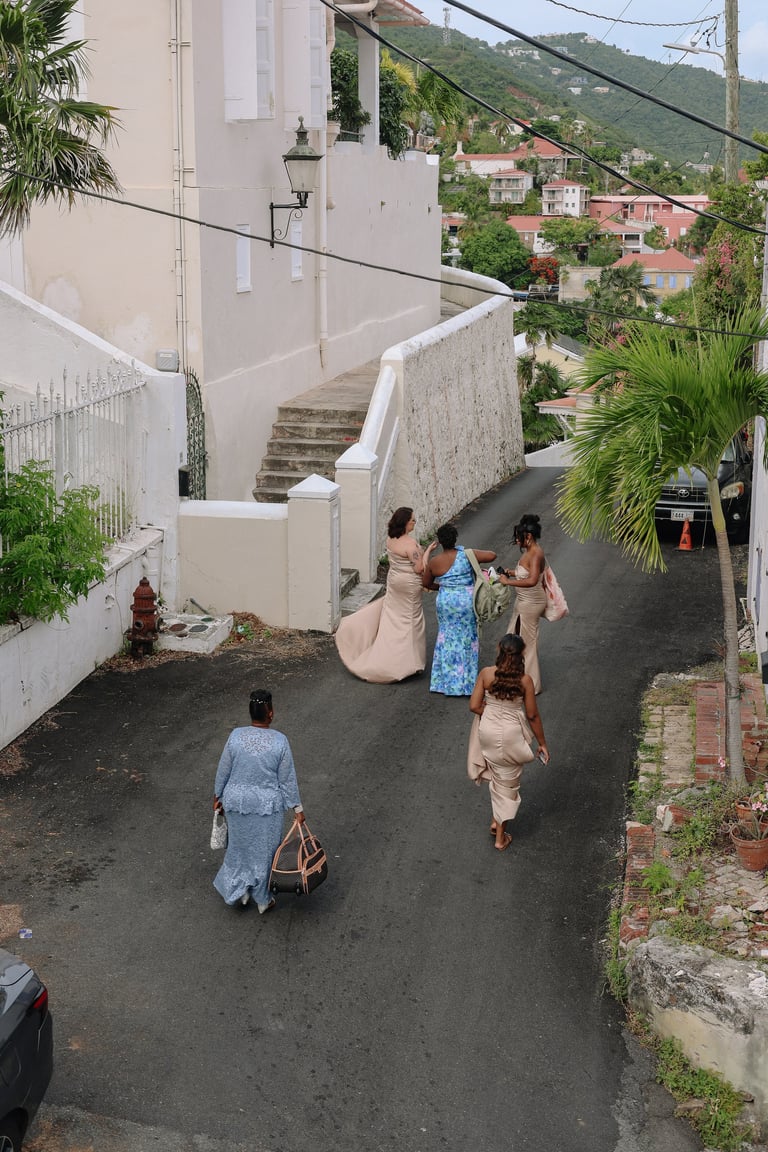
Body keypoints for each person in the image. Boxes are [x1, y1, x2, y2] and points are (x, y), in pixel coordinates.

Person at [213, 689, 304, 914]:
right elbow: (287, 779)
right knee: (266, 852)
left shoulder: (235, 736)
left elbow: (223, 769)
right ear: (270, 714)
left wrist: (217, 797)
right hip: (267, 806)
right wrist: (297, 808)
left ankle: (241, 891)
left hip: (236, 802)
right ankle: (263, 899)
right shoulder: (280, 741)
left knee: (239, 848)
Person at [335, 507, 436, 683]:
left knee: (393, 616)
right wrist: (427, 552)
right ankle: (407, 663)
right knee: (410, 619)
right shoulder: (410, 544)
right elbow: (419, 568)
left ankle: (391, 655)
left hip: (394, 581)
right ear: (405, 523)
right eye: (412, 520)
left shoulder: (391, 540)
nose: (414, 523)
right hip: (409, 585)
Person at [468, 633, 549, 851]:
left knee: (498, 775)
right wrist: (542, 743)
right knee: (508, 783)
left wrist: (493, 712)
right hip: (512, 734)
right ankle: (500, 838)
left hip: (488, 730)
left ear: (499, 650)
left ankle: (497, 819)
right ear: (522, 654)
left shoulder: (486, 674)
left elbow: (474, 706)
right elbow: (532, 715)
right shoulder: (525, 681)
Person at [422, 523, 496, 697]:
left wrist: (443, 586)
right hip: (466, 601)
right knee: (467, 637)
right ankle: (466, 683)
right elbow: (492, 555)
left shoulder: (435, 562)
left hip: (446, 601)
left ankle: (444, 683)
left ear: (440, 542)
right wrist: (471, 554)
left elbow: (425, 583)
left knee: (446, 637)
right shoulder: (466, 555)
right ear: (455, 539)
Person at [498, 513, 547, 694]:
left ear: (529, 536)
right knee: (514, 636)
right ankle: (516, 678)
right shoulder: (531, 551)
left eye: (519, 538)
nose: (517, 542)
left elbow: (533, 580)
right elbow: (525, 574)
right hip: (524, 602)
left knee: (527, 642)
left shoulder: (535, 554)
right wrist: (510, 572)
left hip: (531, 603)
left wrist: (507, 583)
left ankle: (531, 685)